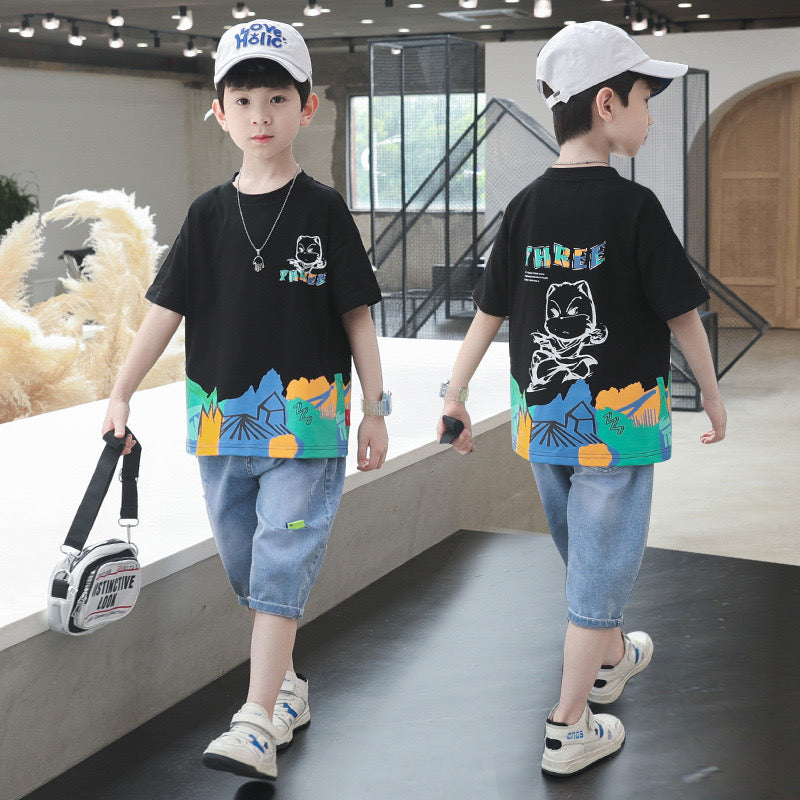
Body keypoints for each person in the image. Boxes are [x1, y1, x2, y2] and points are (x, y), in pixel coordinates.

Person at [102, 18, 390, 783]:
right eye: (243, 100)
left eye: (276, 98)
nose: (260, 115)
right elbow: (163, 312)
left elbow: (357, 315)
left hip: (308, 430)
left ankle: (256, 720)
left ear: (307, 108)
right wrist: (120, 391)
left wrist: (377, 407)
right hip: (221, 430)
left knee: (280, 561)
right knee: (249, 569)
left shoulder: (323, 209)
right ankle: (288, 687)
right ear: (219, 113)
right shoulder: (205, 216)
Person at [437, 20, 726, 777]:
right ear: (606, 103)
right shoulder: (636, 208)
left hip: (545, 425)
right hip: (618, 427)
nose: (651, 116)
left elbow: (489, 312)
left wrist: (454, 393)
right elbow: (682, 316)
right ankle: (569, 725)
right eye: (644, 99)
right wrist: (712, 393)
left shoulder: (525, 207)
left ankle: (612, 656)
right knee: (598, 569)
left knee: (587, 557)